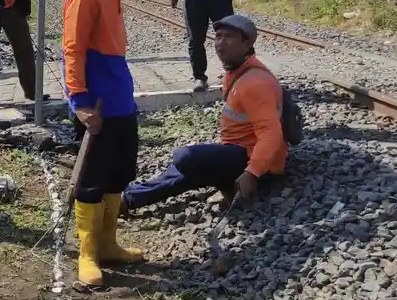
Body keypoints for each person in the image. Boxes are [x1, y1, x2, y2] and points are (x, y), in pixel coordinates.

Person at [63, 0, 155, 288]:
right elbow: (73, 50)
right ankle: (87, 254)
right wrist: (80, 102)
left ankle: (108, 243)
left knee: (118, 173)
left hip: (120, 102)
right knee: (91, 179)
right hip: (96, 106)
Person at [123, 14, 286, 213]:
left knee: (186, 159)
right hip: (239, 150)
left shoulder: (255, 83)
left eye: (228, 37)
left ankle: (229, 184)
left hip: (255, 163)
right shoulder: (237, 71)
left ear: (247, 43)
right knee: (188, 169)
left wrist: (252, 173)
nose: (220, 43)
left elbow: (271, 134)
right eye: (217, 37)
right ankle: (129, 198)